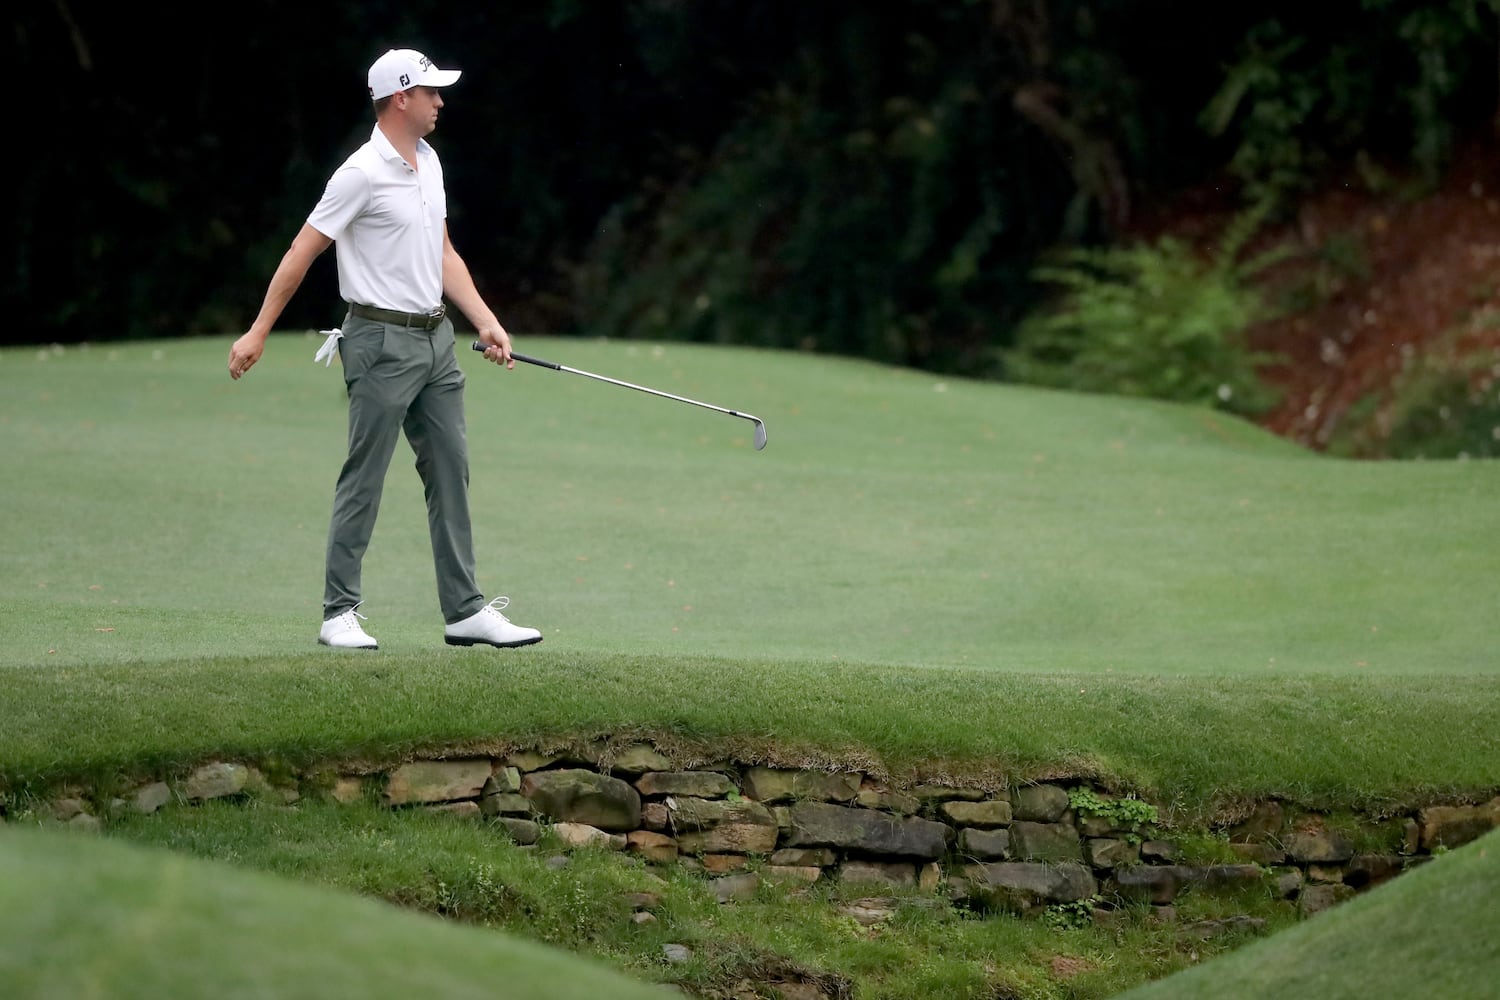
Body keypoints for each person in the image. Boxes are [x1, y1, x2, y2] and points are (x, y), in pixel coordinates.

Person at [227, 47, 541, 652]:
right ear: (402, 97)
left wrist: (486, 319)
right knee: (364, 476)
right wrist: (259, 329)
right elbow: (302, 250)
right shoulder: (359, 173)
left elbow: (444, 253)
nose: (440, 102)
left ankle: (466, 610)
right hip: (377, 340)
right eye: (430, 92)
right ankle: (338, 611)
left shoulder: (430, 161)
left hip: (436, 341)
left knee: (450, 469)